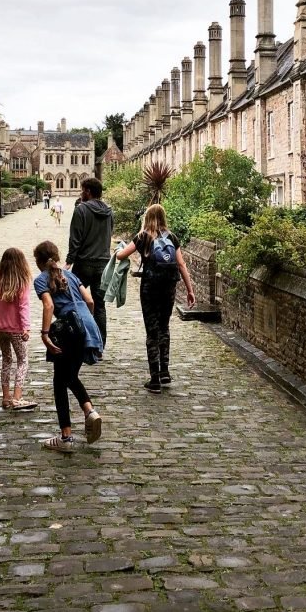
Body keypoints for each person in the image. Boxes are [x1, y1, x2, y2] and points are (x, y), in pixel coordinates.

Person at [116, 203, 195, 393]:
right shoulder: (172, 237)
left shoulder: (143, 237)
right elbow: (182, 265)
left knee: (152, 332)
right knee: (164, 328)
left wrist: (118, 250)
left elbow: (122, 256)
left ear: (148, 217)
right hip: (168, 289)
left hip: (150, 289)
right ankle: (165, 371)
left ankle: (154, 380)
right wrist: (190, 290)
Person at [34, 240, 102, 453]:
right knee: (69, 376)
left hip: (69, 329)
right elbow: (90, 301)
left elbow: (49, 304)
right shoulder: (70, 275)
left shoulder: (41, 280)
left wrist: (45, 334)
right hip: (88, 326)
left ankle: (66, 437)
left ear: (39, 261)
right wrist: (84, 323)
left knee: (59, 382)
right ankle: (90, 411)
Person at [0, 247, 37, 411]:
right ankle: (17, 397)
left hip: (0, 329)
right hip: (16, 329)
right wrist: (26, 328)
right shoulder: (21, 284)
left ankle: (6, 397)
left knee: (6, 360)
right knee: (23, 360)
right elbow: (23, 307)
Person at [66, 178, 113, 346]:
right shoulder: (109, 211)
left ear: (88, 191)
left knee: (75, 301)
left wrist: (69, 260)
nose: (81, 193)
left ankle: (79, 341)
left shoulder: (81, 210)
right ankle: (99, 346)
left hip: (83, 263)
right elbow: (109, 235)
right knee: (99, 306)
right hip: (103, 264)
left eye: (82, 190)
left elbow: (75, 238)